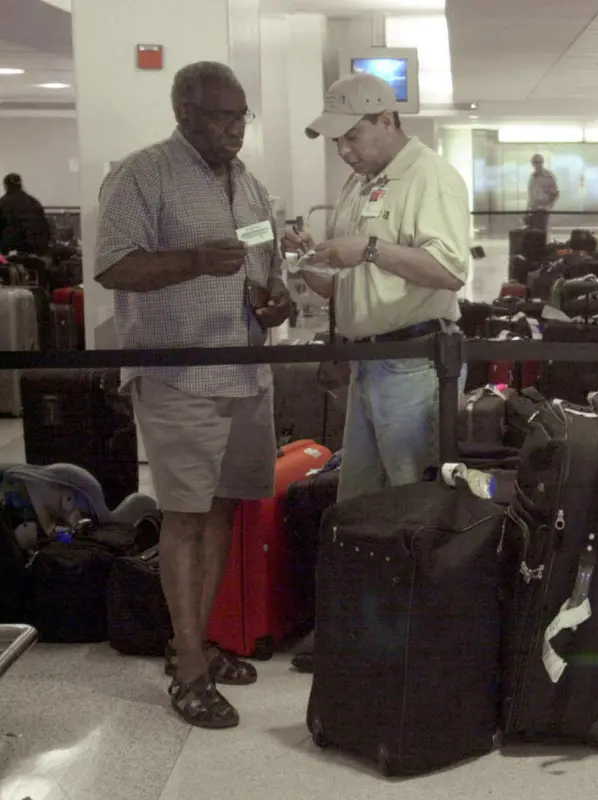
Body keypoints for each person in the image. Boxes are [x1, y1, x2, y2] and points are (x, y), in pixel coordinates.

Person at [94, 61, 292, 730]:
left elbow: (268, 267)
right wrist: (195, 261)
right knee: (185, 515)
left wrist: (275, 302)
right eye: (220, 116)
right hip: (179, 377)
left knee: (222, 512)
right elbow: (113, 263)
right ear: (183, 112)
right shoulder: (142, 173)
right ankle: (186, 667)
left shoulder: (251, 186)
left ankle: (196, 644)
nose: (234, 129)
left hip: (245, 375)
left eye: (241, 117)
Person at [283, 72, 470, 672]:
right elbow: (356, 278)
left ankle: (422, 636)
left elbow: (448, 269)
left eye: (352, 136)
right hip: (369, 363)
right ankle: (356, 628)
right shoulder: (361, 184)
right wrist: (316, 270)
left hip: (414, 364)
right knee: (358, 502)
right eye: (336, 141)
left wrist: (365, 249)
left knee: (415, 503)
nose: (343, 150)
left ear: (387, 121)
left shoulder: (430, 177)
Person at [0, 173, 52, 256]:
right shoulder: (34, 202)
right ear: (20, 185)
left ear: (6, 186)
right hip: (38, 252)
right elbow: (45, 228)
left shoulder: (3, 203)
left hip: (13, 252)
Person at [526, 153, 558, 232]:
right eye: (535, 162)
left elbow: (554, 193)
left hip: (543, 209)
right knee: (533, 233)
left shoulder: (548, 176)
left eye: (539, 162)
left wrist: (547, 205)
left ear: (542, 162)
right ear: (532, 163)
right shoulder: (532, 177)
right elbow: (531, 194)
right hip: (533, 209)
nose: (537, 164)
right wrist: (528, 208)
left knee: (541, 232)